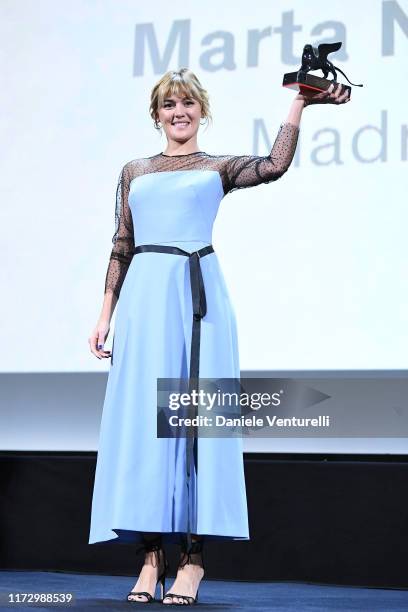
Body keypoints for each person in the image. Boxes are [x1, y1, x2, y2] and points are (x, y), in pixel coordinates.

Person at [88, 68, 350, 605]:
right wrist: (105, 313)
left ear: (201, 111)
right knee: (146, 425)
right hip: (144, 301)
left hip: (197, 297)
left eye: (187, 103)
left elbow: (274, 166)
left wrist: (300, 104)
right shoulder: (134, 171)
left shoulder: (217, 167)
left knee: (195, 423)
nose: (178, 112)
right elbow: (122, 241)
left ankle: (193, 561)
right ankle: (150, 558)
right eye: (168, 105)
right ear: (156, 114)